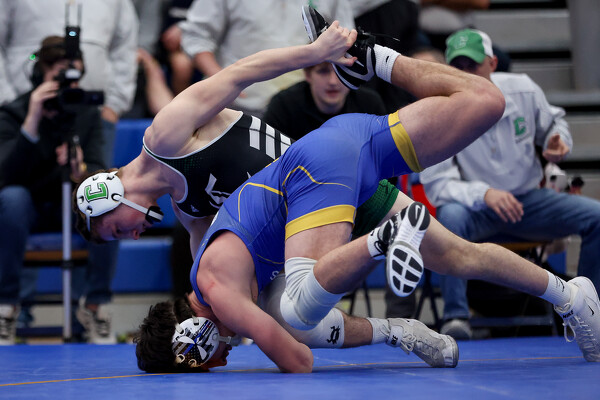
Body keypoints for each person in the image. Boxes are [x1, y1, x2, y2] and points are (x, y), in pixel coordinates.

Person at [132, 9, 599, 372]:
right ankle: (571, 297)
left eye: (199, 362)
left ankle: (386, 238)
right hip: (338, 155)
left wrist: (268, 331)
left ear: (194, 339)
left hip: (315, 175)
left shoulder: (219, 290)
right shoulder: (213, 274)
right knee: (486, 105)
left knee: (297, 310)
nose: (219, 363)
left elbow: (299, 363)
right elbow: (303, 335)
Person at [419, 28, 600, 340]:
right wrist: (484, 194)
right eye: (457, 67)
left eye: (473, 65)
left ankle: (586, 311)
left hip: (529, 203)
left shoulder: (523, 90)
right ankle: (456, 317)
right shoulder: (437, 109)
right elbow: (437, 185)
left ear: (492, 63)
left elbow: (554, 123)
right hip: (476, 212)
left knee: (596, 217)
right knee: (448, 217)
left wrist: (559, 141)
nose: (466, 74)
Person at [0, 36, 107, 345]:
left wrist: (81, 171)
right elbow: (5, 176)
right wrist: (32, 120)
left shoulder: (86, 113)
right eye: (58, 76)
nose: (65, 86)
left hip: (69, 207)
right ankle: (6, 306)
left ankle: (95, 306)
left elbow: (100, 171)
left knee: (108, 202)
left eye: (72, 77)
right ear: (39, 75)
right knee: (11, 198)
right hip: (25, 211)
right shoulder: (13, 113)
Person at [180, 0, 355, 117]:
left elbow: (346, 38)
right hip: (239, 107)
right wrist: (223, 80)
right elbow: (196, 36)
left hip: (303, 108)